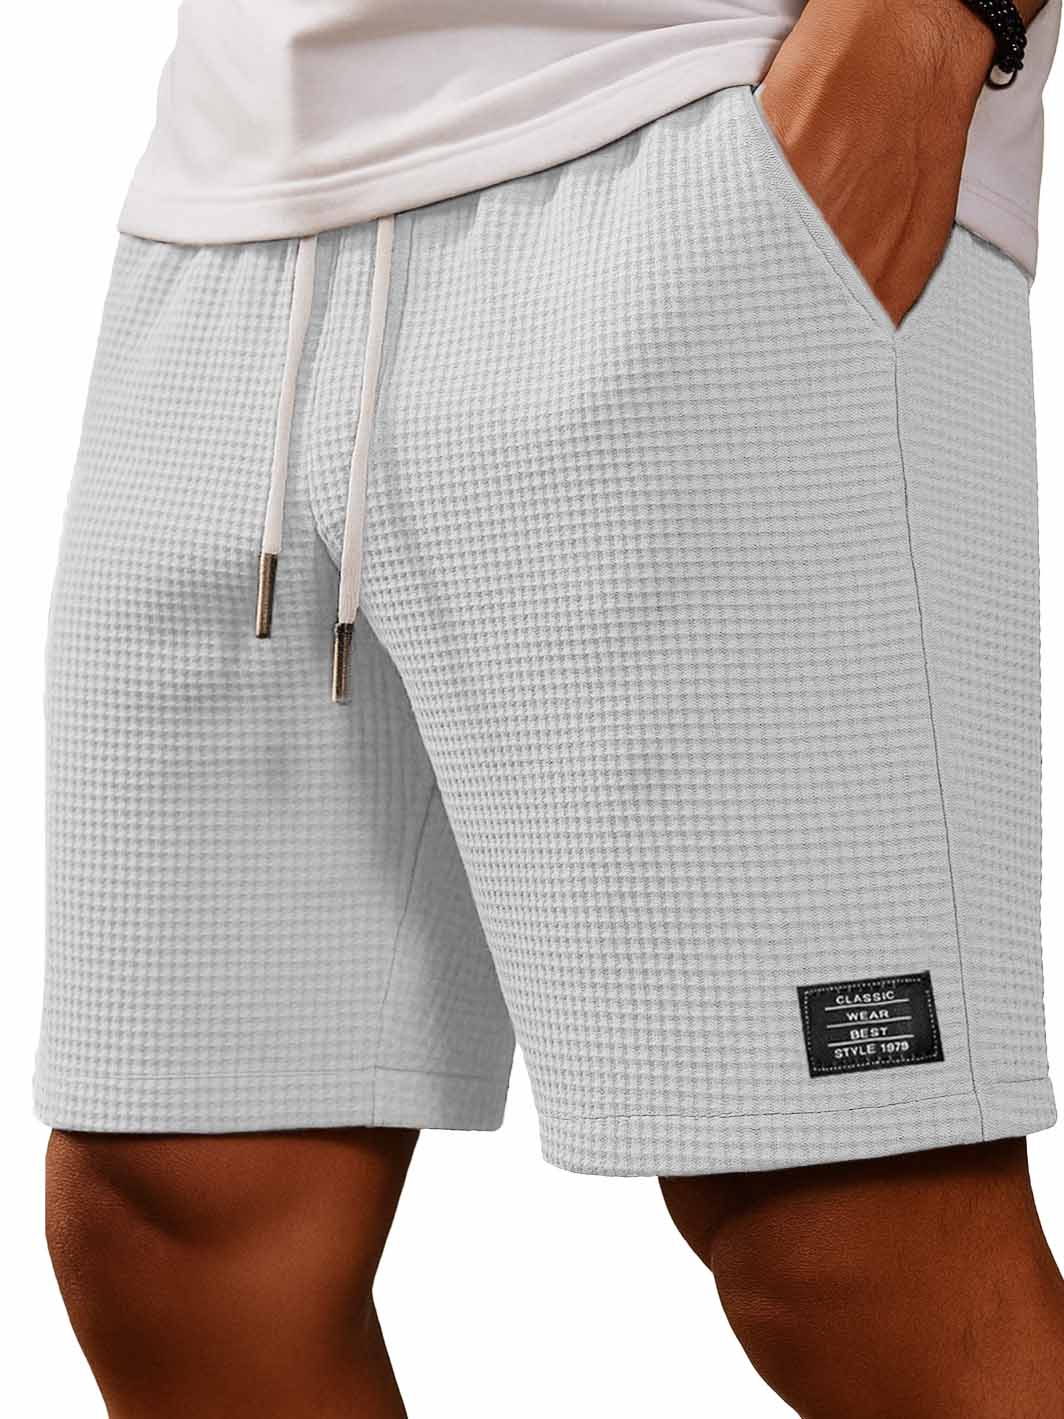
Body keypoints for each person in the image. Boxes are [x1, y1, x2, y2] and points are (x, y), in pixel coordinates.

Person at [37, 0, 1064, 1414]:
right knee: (175, 1218)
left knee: (848, 1240)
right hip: (231, 210)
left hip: (695, 135)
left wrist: (936, 22)